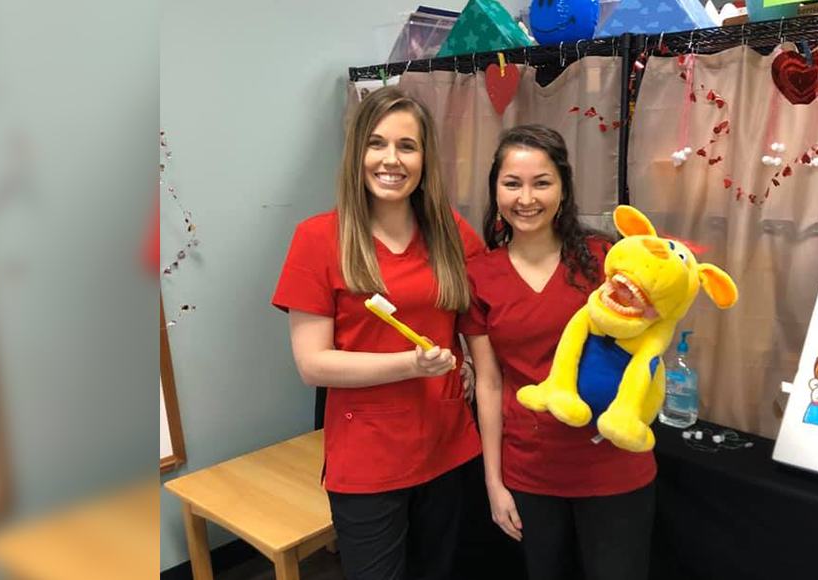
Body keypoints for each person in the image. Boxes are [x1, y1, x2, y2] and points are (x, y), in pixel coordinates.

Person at [272, 86, 484, 580]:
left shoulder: (451, 231)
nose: (392, 159)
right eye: (377, 143)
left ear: (425, 158)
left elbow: (476, 317)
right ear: (357, 154)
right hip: (369, 460)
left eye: (407, 146)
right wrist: (410, 364)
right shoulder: (318, 238)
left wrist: (469, 360)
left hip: (448, 444)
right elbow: (313, 364)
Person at [460, 125, 656, 580]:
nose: (526, 198)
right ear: (495, 190)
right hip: (531, 470)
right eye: (512, 183)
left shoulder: (607, 260)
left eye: (541, 182)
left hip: (613, 465)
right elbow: (489, 384)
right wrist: (494, 483)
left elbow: (648, 342)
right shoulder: (479, 276)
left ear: (563, 190)